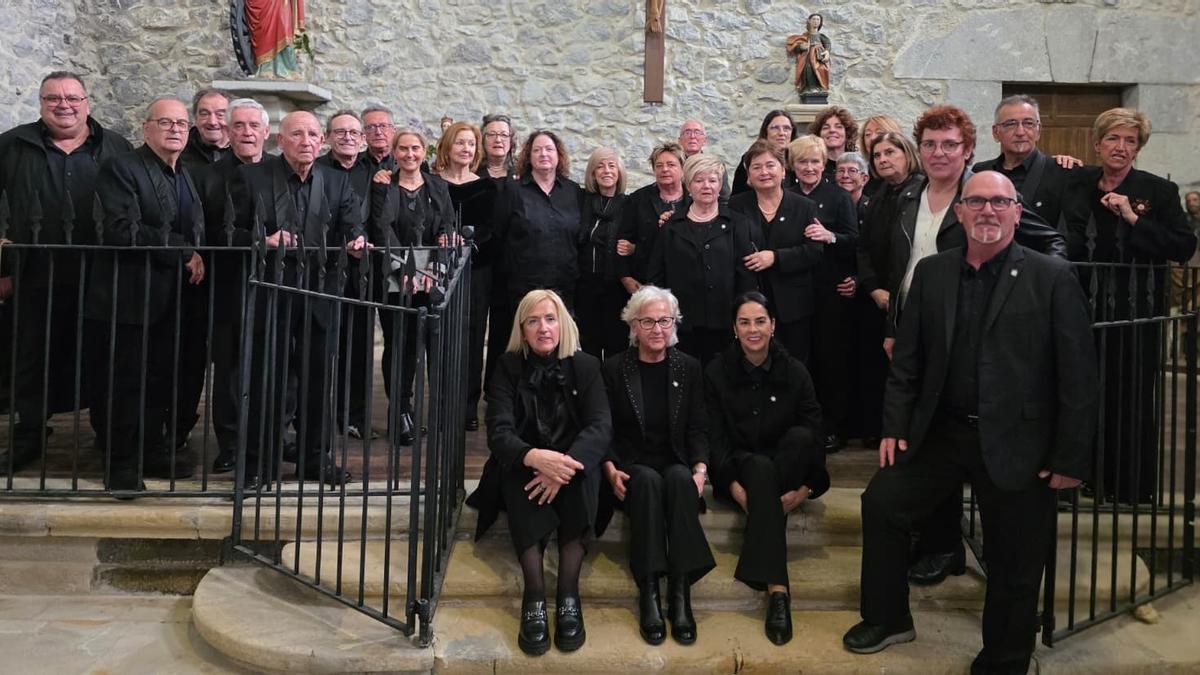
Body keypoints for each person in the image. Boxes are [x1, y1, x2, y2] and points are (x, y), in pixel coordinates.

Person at [843, 172, 1100, 675]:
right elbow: (909, 361)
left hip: (1019, 439)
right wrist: (894, 425)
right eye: (977, 201)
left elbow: (1079, 376)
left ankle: (1006, 656)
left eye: (999, 201)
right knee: (883, 504)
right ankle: (888, 617)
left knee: (1016, 555)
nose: (988, 210)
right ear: (959, 212)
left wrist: (1071, 457)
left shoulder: (1051, 276)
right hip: (941, 431)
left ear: (1017, 212)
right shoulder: (934, 273)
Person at [883, 105, 1066, 589]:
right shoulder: (908, 194)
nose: (939, 153)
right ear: (919, 151)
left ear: (967, 150)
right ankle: (937, 542)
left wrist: (1044, 291)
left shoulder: (987, 193)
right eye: (930, 145)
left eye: (949, 145)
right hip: (914, 328)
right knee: (926, 436)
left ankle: (946, 548)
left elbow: (1050, 245)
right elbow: (900, 265)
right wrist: (893, 323)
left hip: (965, 332)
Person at [466, 289, 612, 656]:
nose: (543, 328)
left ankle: (568, 594)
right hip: (525, 463)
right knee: (518, 478)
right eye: (533, 321)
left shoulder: (587, 366)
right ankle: (533, 594)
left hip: (572, 464)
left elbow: (599, 426)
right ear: (522, 329)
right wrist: (534, 457)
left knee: (584, 478)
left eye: (549, 319)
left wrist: (561, 467)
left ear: (562, 324)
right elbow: (498, 430)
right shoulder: (506, 367)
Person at [1063, 108, 1197, 504]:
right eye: (1113, 139)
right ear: (1097, 143)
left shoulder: (1156, 191)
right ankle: (1086, 476)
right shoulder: (1079, 182)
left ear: (1138, 148)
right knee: (1086, 392)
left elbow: (1184, 246)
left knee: (1131, 395)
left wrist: (1132, 219)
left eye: (1130, 141)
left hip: (1138, 308)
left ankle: (1130, 486)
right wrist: (1058, 161)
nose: (1120, 148)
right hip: (1083, 306)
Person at [0, 71, 132, 472]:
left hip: (101, 271)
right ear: (41, 103)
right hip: (35, 269)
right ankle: (29, 433)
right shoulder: (12, 145)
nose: (64, 105)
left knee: (103, 355)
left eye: (73, 98)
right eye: (54, 98)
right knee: (31, 354)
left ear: (86, 102)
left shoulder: (116, 147)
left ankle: (108, 435)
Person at [227, 110, 367, 487]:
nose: (306, 141)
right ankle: (260, 464)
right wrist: (263, 241)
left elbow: (352, 225)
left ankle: (314, 460)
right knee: (265, 380)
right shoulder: (250, 177)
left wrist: (356, 241)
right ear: (280, 140)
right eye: (297, 134)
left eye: (312, 135)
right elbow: (228, 232)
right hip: (270, 292)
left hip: (321, 294)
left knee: (319, 381)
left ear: (322, 141)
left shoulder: (337, 183)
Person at [84, 97, 206, 491]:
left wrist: (195, 249)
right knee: (126, 383)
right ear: (146, 128)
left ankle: (152, 451)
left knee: (160, 380)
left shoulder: (181, 172)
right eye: (165, 122)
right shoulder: (122, 168)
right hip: (130, 299)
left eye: (181, 124)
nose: (175, 129)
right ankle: (121, 466)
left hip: (171, 302)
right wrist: (184, 250)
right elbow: (119, 230)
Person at [705, 291, 829, 646]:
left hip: (788, 471)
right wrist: (735, 490)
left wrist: (805, 489)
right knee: (758, 465)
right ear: (734, 328)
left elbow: (816, 438)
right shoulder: (717, 373)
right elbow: (716, 442)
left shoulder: (795, 371)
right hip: (743, 471)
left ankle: (765, 571)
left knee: (800, 437)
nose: (753, 329)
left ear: (773, 325)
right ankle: (778, 592)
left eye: (760, 321)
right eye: (744, 322)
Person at [597, 286, 714, 646]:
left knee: (680, 480)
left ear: (674, 323)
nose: (657, 329)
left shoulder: (689, 367)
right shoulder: (615, 368)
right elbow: (604, 427)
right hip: (632, 465)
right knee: (646, 482)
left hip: (675, 461)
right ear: (633, 325)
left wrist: (700, 469)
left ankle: (680, 593)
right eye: (648, 321)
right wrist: (609, 467)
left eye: (664, 320)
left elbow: (698, 426)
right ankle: (648, 591)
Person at [192, 98, 271, 474]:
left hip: (275, 285)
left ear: (266, 132)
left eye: (254, 125)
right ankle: (230, 442)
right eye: (238, 125)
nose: (247, 132)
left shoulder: (278, 170)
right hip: (227, 283)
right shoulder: (209, 175)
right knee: (228, 370)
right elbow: (204, 230)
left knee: (273, 367)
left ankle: (268, 438)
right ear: (228, 131)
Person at [371, 129, 455, 446]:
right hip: (396, 274)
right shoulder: (383, 186)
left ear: (424, 152)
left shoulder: (438, 186)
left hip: (431, 274)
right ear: (394, 152)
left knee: (431, 345)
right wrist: (401, 267)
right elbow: (382, 227)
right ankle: (400, 412)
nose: (410, 154)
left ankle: (438, 413)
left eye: (415, 148)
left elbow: (446, 226)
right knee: (399, 345)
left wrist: (437, 266)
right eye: (403, 149)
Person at [488, 130, 583, 389]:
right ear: (528, 156)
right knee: (522, 345)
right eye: (537, 150)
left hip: (564, 284)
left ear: (558, 155)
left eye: (549, 149)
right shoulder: (514, 189)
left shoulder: (573, 191)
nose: (543, 154)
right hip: (523, 285)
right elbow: (499, 235)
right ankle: (515, 399)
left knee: (557, 342)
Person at [648, 154, 758, 365]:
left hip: (725, 322)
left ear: (720, 186)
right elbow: (656, 275)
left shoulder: (737, 223)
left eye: (712, 180)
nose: (706, 186)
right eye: (699, 180)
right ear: (688, 186)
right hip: (681, 323)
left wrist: (742, 317)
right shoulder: (671, 225)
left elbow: (746, 275)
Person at [787, 134, 858, 452]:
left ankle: (832, 427)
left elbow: (854, 240)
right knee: (799, 360)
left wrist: (830, 236)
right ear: (793, 165)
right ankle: (800, 424)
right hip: (796, 289)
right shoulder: (785, 195)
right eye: (802, 161)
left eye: (815, 161)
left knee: (831, 361)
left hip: (830, 290)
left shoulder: (838, 196)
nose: (809, 167)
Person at [854, 132, 923, 449]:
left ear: (907, 153)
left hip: (911, 295)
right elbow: (864, 247)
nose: (883, 159)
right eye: (877, 155)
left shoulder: (923, 190)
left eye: (890, 152)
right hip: (878, 296)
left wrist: (894, 295)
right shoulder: (877, 194)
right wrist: (873, 288)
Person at [728, 139, 823, 361]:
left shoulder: (804, 206)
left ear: (783, 170)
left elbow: (814, 252)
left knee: (793, 365)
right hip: (749, 303)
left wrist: (776, 257)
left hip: (793, 305)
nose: (764, 172)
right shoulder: (735, 205)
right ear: (748, 175)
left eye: (770, 165)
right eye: (756, 167)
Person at [432, 121, 498, 431]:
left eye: (471, 144)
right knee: (441, 336)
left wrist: (467, 240)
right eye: (460, 143)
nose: (466, 149)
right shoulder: (431, 184)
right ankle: (443, 404)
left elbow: (490, 229)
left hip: (477, 271)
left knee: (472, 337)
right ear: (447, 146)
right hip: (439, 269)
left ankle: (468, 406)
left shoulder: (487, 186)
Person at [972, 94, 1074, 230]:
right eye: (1011, 124)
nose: (1020, 132)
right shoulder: (980, 172)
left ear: (1038, 130)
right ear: (996, 133)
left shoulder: (1061, 172)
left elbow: (1071, 235)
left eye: (1028, 123)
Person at [575, 147, 629, 360]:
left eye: (611, 165)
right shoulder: (582, 201)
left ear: (619, 172)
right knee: (589, 346)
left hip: (616, 288)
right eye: (600, 166)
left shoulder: (630, 204)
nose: (606, 171)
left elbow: (640, 239)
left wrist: (633, 248)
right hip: (585, 287)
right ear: (593, 173)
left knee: (617, 346)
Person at [616, 141, 689, 296]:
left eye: (671, 164)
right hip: (643, 283)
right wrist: (627, 279)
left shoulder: (694, 200)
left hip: (686, 282)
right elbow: (621, 242)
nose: (665, 169)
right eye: (659, 165)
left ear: (683, 169)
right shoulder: (637, 199)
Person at [731, 110, 798, 196]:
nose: (781, 133)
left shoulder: (799, 160)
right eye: (775, 128)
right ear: (766, 131)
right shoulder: (751, 159)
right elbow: (737, 197)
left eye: (786, 128)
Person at [179, 88, 231, 172]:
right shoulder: (179, 152)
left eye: (220, 115)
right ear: (195, 118)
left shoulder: (243, 150)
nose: (212, 122)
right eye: (204, 114)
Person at [678, 119, 730, 200]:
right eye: (687, 132)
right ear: (680, 140)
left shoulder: (715, 165)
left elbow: (724, 198)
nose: (692, 136)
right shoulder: (674, 165)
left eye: (697, 132)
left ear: (704, 140)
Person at [810, 106, 859, 181]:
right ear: (818, 134)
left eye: (838, 127)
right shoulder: (813, 166)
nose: (832, 130)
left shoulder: (858, 163)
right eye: (826, 127)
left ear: (847, 133)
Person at [786, 13, 831, 94]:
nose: (816, 21)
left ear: (820, 22)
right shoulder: (805, 36)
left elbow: (827, 44)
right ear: (809, 21)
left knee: (820, 69)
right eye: (813, 19)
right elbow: (797, 46)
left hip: (819, 57)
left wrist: (827, 52)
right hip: (808, 56)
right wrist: (801, 47)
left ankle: (819, 87)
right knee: (808, 69)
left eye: (818, 20)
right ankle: (810, 87)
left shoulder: (821, 36)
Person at [479, 113, 518, 180]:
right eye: (492, 134)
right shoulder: (471, 174)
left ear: (511, 141)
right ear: (482, 140)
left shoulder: (521, 174)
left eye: (504, 135)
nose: (498, 140)